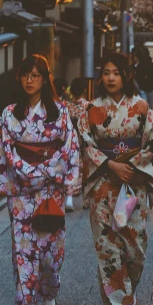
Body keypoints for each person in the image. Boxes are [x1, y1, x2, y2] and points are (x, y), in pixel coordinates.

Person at [0, 54, 80, 305]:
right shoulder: (11, 113)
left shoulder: (59, 112)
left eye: (36, 75)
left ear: (45, 79)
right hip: (22, 194)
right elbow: (6, 150)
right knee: (23, 253)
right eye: (25, 75)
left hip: (50, 191)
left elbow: (69, 148)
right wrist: (27, 172)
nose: (30, 80)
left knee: (51, 253)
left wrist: (47, 171)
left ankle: (49, 296)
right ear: (18, 78)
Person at [77, 53, 153, 305]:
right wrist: (110, 163)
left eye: (116, 72)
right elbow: (85, 143)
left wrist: (130, 166)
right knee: (107, 247)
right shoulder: (91, 109)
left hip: (131, 185)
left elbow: (151, 143)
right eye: (106, 73)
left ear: (125, 75)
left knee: (134, 247)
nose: (110, 78)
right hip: (103, 184)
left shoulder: (141, 107)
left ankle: (129, 293)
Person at [65, 77, 88, 212]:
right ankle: (86, 199)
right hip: (84, 140)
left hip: (69, 140)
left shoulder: (67, 106)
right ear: (84, 90)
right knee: (85, 169)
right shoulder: (87, 106)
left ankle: (69, 198)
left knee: (71, 168)